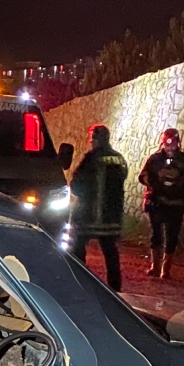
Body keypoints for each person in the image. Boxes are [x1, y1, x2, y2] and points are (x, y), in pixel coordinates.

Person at [68, 123, 129, 291]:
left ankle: (78, 282)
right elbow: (123, 178)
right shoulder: (119, 159)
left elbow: (76, 183)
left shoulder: (91, 159)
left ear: (94, 139)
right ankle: (115, 289)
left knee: (77, 247)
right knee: (110, 252)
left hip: (90, 216)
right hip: (112, 217)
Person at [138, 127, 184, 279]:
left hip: (175, 204)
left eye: (173, 142)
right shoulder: (155, 159)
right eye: (167, 142)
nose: (170, 146)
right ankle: (154, 266)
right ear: (163, 142)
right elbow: (143, 175)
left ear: (178, 142)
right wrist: (152, 183)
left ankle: (166, 270)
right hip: (157, 203)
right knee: (156, 234)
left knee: (172, 236)